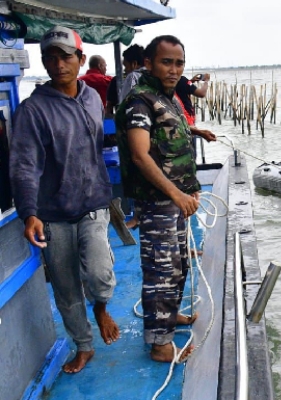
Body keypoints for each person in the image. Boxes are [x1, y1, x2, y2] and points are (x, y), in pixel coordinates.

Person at [9, 26, 119, 373]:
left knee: (100, 273)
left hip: (94, 205)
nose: (58, 64)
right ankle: (84, 345)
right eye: (50, 58)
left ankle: (101, 307)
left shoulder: (91, 96)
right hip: (53, 213)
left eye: (65, 56)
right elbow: (24, 165)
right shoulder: (33, 110)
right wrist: (29, 213)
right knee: (67, 288)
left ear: (80, 59)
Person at [116, 35, 215, 363]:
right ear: (149, 63)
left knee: (178, 265)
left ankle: (169, 318)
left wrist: (190, 187)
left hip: (176, 200)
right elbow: (141, 155)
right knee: (161, 270)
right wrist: (175, 193)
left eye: (179, 63)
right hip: (158, 202)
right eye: (166, 62)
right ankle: (160, 344)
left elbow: (173, 142)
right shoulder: (140, 101)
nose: (174, 69)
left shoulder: (167, 97)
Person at [106, 44, 144, 116]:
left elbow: (124, 105)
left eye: (126, 66)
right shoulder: (157, 77)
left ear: (134, 64)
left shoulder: (132, 77)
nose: (125, 70)